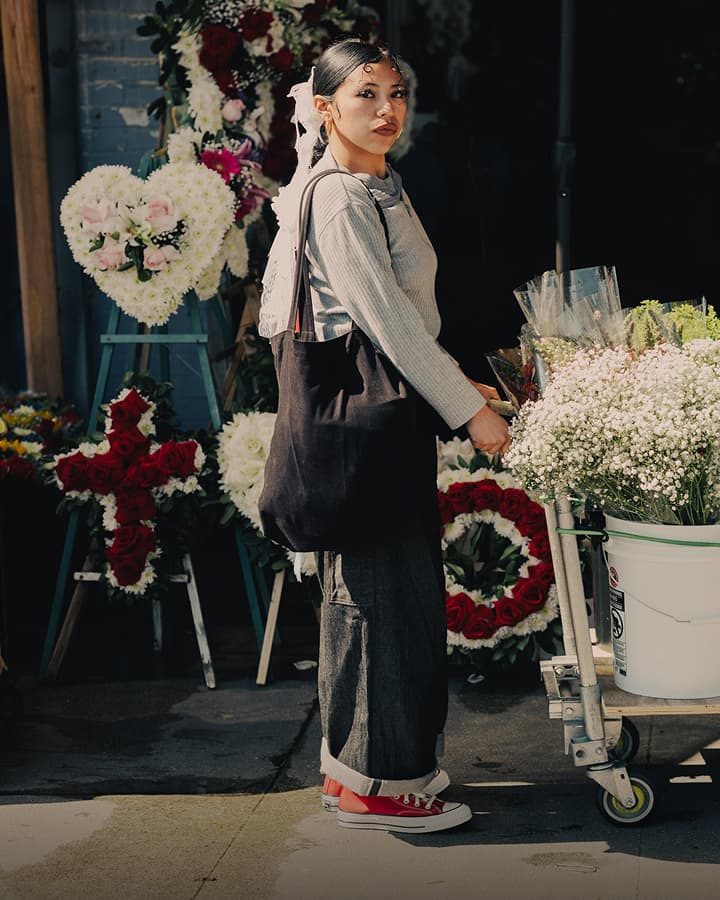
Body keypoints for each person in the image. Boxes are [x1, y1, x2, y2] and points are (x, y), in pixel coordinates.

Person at [259, 37, 511, 834]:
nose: (387, 109)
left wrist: (454, 379)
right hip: (365, 419)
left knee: (375, 595)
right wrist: (469, 410)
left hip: (381, 416)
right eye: (365, 95)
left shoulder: (375, 183)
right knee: (380, 597)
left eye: (395, 93)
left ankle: (358, 771)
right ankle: (376, 784)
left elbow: (403, 315)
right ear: (325, 107)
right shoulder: (337, 195)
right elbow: (386, 320)